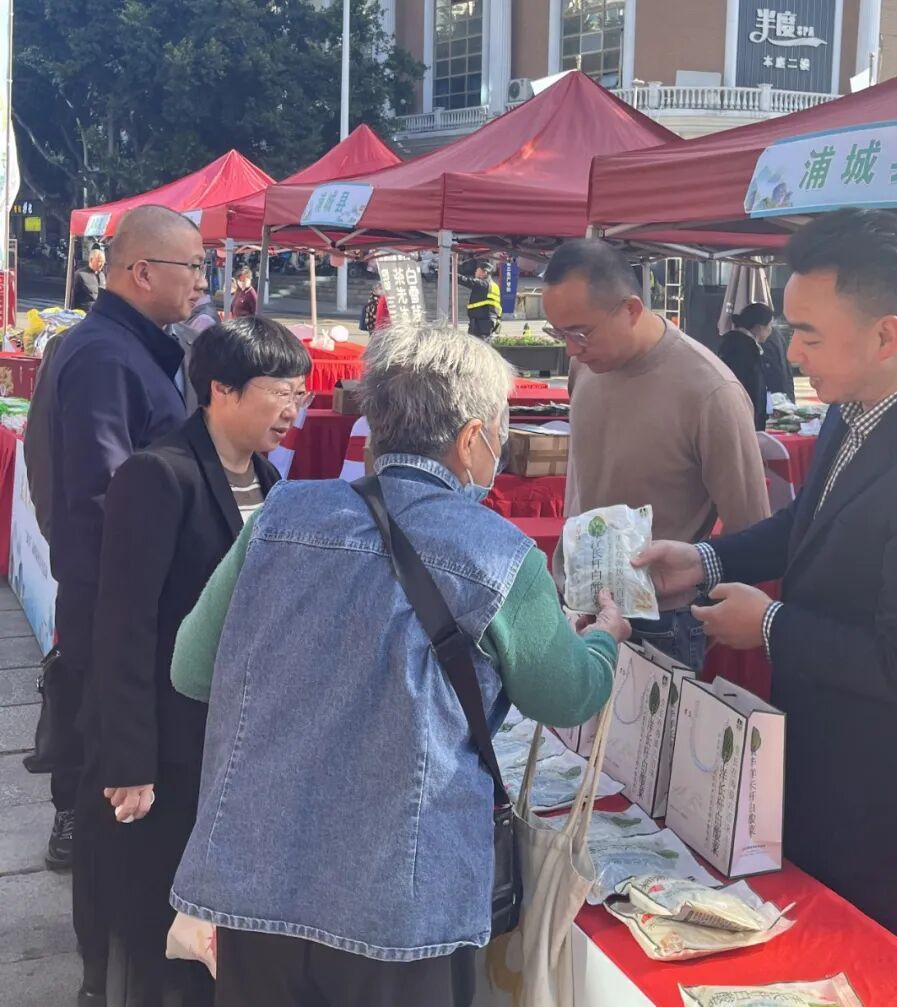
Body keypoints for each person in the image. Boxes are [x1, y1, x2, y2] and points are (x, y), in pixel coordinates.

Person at [167, 324, 626, 1006]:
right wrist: (606, 639)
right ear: (472, 439)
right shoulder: (498, 552)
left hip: (255, 880)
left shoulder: (280, 513)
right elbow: (568, 694)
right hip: (400, 903)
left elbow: (192, 667)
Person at [635, 209, 897, 973]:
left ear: (885, 334)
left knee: (883, 973)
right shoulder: (859, 401)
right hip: (825, 759)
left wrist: (770, 625)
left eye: (808, 334)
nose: (790, 352)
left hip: (896, 796)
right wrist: (707, 559)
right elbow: (809, 524)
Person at [87, 318, 311, 1006]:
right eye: (279, 392)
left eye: (299, 394)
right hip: (170, 741)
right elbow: (123, 625)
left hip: (235, 741)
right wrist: (130, 761)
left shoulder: (270, 481)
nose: (292, 409)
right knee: (160, 919)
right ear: (221, 388)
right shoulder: (158, 475)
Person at [37, 205, 207, 1004]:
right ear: (142, 272)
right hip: (118, 618)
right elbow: (108, 504)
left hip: (121, 610)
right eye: (194, 267)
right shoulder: (106, 356)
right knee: (118, 804)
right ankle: (109, 978)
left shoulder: (129, 348)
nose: (203, 283)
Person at [542, 239, 769, 670]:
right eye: (559, 334)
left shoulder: (710, 391)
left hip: (660, 621)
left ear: (630, 309)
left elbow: (752, 529)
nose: (570, 349)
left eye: (580, 333)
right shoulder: (585, 365)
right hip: (576, 605)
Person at [716, 303, 774, 431]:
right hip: (742, 420)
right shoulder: (743, 349)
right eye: (770, 326)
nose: (771, 330)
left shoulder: (736, 343)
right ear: (759, 327)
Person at [458, 258, 502, 339]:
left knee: (477, 344)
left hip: (482, 322)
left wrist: (448, 273)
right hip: (489, 321)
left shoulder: (483, 284)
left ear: (485, 272)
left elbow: (465, 281)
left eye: (477, 270)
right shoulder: (494, 285)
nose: (475, 272)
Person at [72, 247, 107, 313]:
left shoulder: (102, 275)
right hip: (85, 312)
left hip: (101, 311)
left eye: (103, 262)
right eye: (99, 261)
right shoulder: (80, 274)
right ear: (91, 260)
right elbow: (72, 297)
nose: (101, 264)